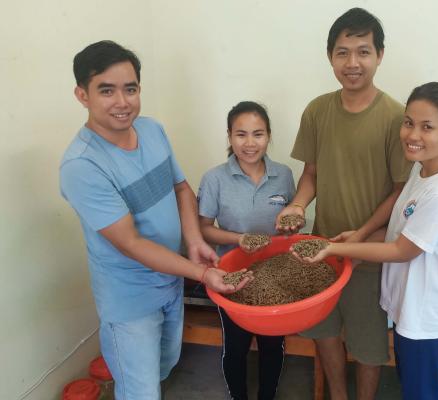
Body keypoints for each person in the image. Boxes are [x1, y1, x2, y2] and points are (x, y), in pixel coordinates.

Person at [60, 40, 249, 400]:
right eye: (107, 90)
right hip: (130, 299)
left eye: (130, 89)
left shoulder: (151, 130)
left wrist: (194, 240)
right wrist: (203, 273)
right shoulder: (82, 166)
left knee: (165, 364)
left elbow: (180, 188)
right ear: (82, 95)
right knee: (140, 391)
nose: (122, 102)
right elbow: (130, 243)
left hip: (171, 282)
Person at [293, 82, 438, 400]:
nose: (413, 135)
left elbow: (401, 250)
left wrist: (334, 248)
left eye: (427, 127)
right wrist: (358, 237)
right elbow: (398, 232)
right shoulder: (423, 173)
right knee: (412, 388)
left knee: (421, 393)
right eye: (408, 123)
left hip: (429, 319)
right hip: (412, 312)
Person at [276, 8, 413, 400]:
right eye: (342, 52)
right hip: (321, 250)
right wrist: (299, 206)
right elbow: (312, 174)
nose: (352, 63)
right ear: (330, 56)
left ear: (380, 55)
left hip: (370, 255)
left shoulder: (396, 117)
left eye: (363, 52)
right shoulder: (317, 110)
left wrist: (363, 233)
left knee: (370, 346)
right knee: (324, 332)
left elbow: (400, 191)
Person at [197, 101, 295, 400]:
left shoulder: (284, 174)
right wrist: (240, 239)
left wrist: (291, 225)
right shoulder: (215, 178)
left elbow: (291, 221)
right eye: (241, 134)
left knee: (272, 344)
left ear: (268, 136)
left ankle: (267, 395)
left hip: (276, 274)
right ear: (229, 136)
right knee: (236, 346)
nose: (250, 143)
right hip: (231, 275)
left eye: (258, 134)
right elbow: (204, 228)